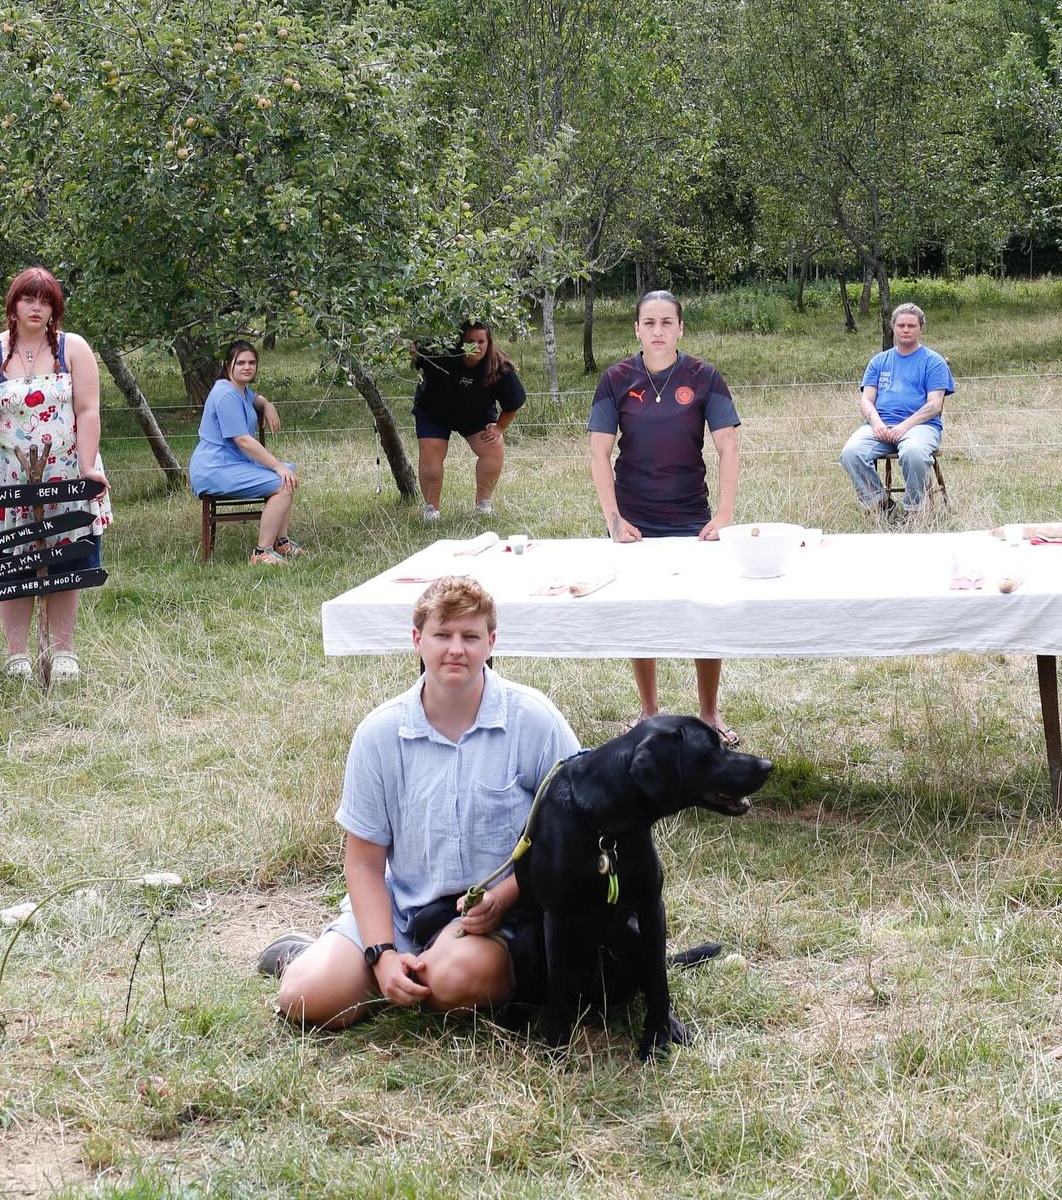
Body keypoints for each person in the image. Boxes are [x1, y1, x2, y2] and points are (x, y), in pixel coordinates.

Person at [266, 575, 579, 1029]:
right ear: (417, 641)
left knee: (455, 981)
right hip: (404, 908)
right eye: (442, 635)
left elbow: (573, 832)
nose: (456, 649)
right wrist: (381, 953)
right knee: (304, 999)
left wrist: (507, 893)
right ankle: (343, 963)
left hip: (492, 917)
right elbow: (364, 865)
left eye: (470, 636)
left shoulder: (534, 720)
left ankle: (397, 977)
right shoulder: (379, 734)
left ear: (491, 643)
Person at [587, 289, 742, 746]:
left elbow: (728, 446)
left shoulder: (704, 376)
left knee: (705, 612)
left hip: (693, 518)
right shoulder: (615, 379)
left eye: (666, 322)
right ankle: (648, 711)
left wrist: (725, 515)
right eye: (648, 322)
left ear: (680, 328)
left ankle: (709, 715)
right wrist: (613, 518)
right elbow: (599, 451)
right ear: (636, 329)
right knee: (640, 614)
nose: (657, 331)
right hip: (633, 520)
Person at [0, 266, 111, 683]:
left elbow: (87, 411)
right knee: (13, 563)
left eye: (45, 301)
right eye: (29, 299)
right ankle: (18, 657)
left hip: (65, 469)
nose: (36, 307)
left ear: (54, 309)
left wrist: (87, 469)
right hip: (8, 475)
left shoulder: (73, 349)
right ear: (14, 304)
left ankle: (64, 653)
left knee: (68, 558)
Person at [188, 340, 302, 565]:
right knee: (283, 481)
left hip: (231, 464)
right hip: (215, 468)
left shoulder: (239, 389)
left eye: (251, 362)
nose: (247, 367)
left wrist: (267, 404)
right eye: (240, 363)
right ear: (228, 364)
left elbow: (254, 398)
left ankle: (282, 542)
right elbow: (243, 441)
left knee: (288, 470)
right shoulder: (225, 394)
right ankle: (262, 552)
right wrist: (276, 466)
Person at [839, 302, 955, 517]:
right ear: (893, 327)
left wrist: (903, 427)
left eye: (911, 325)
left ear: (921, 328)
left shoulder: (933, 361)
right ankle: (882, 504)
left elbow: (934, 405)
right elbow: (866, 400)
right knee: (851, 452)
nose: (906, 329)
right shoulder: (879, 361)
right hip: (881, 425)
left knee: (913, 453)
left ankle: (913, 511)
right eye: (901, 325)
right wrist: (877, 424)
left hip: (920, 426)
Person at [410, 324, 526, 523]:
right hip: (434, 412)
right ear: (460, 343)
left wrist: (499, 427)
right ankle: (431, 511)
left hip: (475, 416)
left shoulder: (499, 366)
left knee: (494, 447)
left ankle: (483, 507)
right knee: (431, 453)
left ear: (489, 343)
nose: (476, 347)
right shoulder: (442, 352)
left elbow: (513, 403)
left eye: (481, 342)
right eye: (470, 342)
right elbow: (413, 350)